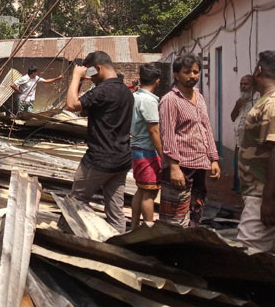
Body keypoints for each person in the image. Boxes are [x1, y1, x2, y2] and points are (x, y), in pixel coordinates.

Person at [65, 51, 134, 233]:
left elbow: (71, 105)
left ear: (98, 68)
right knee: (116, 211)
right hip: (121, 160)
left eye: (91, 75)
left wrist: (75, 76)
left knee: (75, 202)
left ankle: (71, 242)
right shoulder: (126, 92)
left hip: (99, 160)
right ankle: (116, 249)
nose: (91, 80)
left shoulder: (103, 91)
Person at [159, 54, 221, 227]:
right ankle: (173, 250)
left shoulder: (199, 97)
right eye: (187, 72)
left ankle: (189, 247)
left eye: (196, 72)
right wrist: (174, 167)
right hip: (181, 166)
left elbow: (206, 127)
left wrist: (213, 159)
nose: (192, 75)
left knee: (196, 209)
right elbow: (168, 135)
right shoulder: (170, 100)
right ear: (176, 75)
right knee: (175, 214)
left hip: (199, 164)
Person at [237, 51, 275, 251]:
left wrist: (268, 200)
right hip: (259, 191)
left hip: (262, 193)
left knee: (250, 252)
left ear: (259, 70)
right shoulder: (266, 100)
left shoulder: (271, 104)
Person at [129, 64, 163, 228]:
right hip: (148, 151)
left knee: (141, 190)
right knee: (149, 193)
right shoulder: (148, 100)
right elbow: (154, 131)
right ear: (157, 81)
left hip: (137, 149)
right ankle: (148, 230)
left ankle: (135, 227)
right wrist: (163, 156)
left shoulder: (134, 96)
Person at [231, 75, 258, 193]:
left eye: (246, 84)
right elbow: (233, 118)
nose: (243, 87)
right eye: (241, 84)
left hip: (252, 147)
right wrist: (237, 106)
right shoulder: (241, 100)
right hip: (239, 143)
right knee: (239, 174)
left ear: (253, 86)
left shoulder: (258, 101)